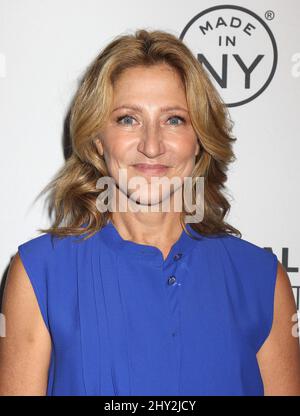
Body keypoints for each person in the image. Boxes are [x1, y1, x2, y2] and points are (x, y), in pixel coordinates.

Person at [1, 29, 300, 396]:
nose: (152, 146)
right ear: (97, 138)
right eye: (128, 119)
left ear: (200, 138)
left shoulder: (261, 280)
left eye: (174, 119)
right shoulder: (40, 274)